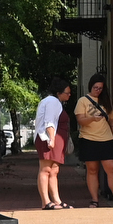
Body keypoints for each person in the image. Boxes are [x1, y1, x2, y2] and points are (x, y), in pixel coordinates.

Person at [72, 76, 113, 207]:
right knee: (92, 170)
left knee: (112, 168)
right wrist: (92, 118)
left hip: (106, 139)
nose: (98, 90)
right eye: (96, 88)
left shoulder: (105, 101)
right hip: (88, 139)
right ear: (91, 86)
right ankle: (95, 200)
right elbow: (80, 121)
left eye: (100, 88)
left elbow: (112, 119)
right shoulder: (83, 101)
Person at [33, 80, 72, 210]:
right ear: (59, 93)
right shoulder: (52, 102)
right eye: (67, 93)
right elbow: (49, 121)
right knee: (46, 170)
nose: (69, 95)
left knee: (54, 170)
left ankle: (56, 200)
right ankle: (45, 202)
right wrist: (52, 139)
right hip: (47, 138)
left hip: (55, 139)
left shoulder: (56, 102)